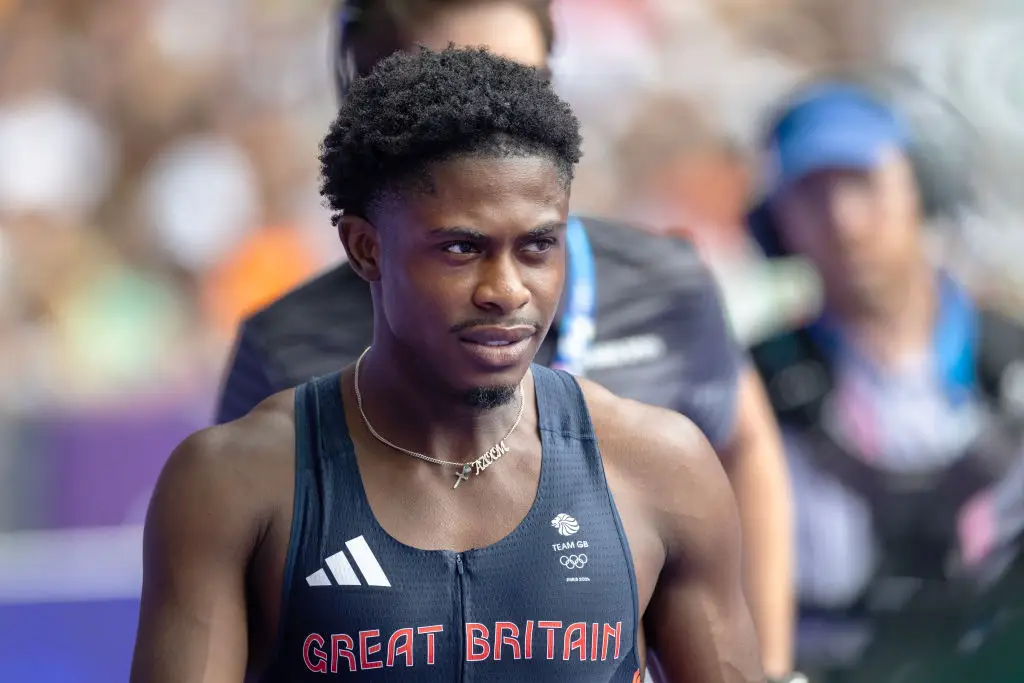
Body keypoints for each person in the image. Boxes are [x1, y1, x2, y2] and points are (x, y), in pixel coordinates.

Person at [130, 46, 765, 683]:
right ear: (365, 248)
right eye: (462, 248)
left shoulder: (661, 467)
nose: (507, 290)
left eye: (538, 247)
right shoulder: (234, 483)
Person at [747, 81, 1024, 679]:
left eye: (863, 185)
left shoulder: (1014, 367)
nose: (843, 220)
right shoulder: (749, 392)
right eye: (811, 195)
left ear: (923, 190)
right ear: (774, 225)